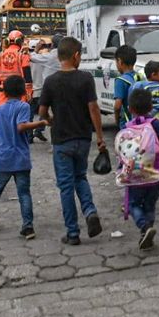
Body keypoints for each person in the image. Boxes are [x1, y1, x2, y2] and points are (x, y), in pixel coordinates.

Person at [38, 36, 105, 245]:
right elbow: (93, 109)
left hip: (61, 140)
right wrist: (100, 137)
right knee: (80, 177)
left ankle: (73, 232)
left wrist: (49, 121)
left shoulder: (51, 81)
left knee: (66, 186)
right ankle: (90, 211)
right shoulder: (85, 79)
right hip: (83, 139)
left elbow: (42, 112)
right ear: (76, 56)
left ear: (59, 57)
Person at [0, 75, 45, 240]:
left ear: (5, 92)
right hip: (21, 158)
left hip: (3, 158)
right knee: (24, 193)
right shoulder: (23, 107)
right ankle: (28, 226)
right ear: (23, 90)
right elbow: (21, 126)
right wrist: (40, 123)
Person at [123, 89, 159, 250]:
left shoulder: (126, 126)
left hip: (135, 174)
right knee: (150, 204)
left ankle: (144, 227)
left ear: (130, 108)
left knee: (133, 204)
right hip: (155, 173)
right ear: (150, 107)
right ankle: (148, 230)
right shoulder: (155, 124)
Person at [0, 30, 31, 107]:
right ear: (20, 41)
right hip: (19, 94)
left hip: (3, 93)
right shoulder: (23, 55)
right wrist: (28, 94)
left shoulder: (0, 56)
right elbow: (27, 76)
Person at [112, 45, 141, 130]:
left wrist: (117, 120)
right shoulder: (139, 77)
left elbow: (117, 105)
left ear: (120, 61)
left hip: (127, 122)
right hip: (141, 121)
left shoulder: (120, 80)